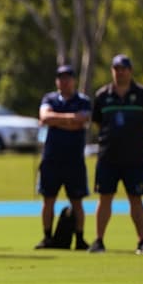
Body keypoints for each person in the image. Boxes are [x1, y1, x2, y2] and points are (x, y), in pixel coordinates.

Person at [89, 54, 143, 254]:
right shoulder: (103, 95)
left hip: (134, 157)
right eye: (116, 69)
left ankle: (142, 241)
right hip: (108, 156)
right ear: (112, 71)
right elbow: (98, 122)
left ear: (130, 71)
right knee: (104, 198)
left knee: (136, 198)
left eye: (123, 69)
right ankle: (99, 240)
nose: (120, 72)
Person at [35, 65, 92, 250]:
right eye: (60, 78)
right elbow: (45, 118)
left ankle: (80, 238)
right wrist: (69, 119)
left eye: (67, 78)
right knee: (48, 199)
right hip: (51, 159)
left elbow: (82, 120)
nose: (64, 81)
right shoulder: (49, 98)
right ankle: (47, 237)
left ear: (73, 80)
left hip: (74, 160)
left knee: (77, 201)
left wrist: (57, 121)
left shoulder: (82, 100)